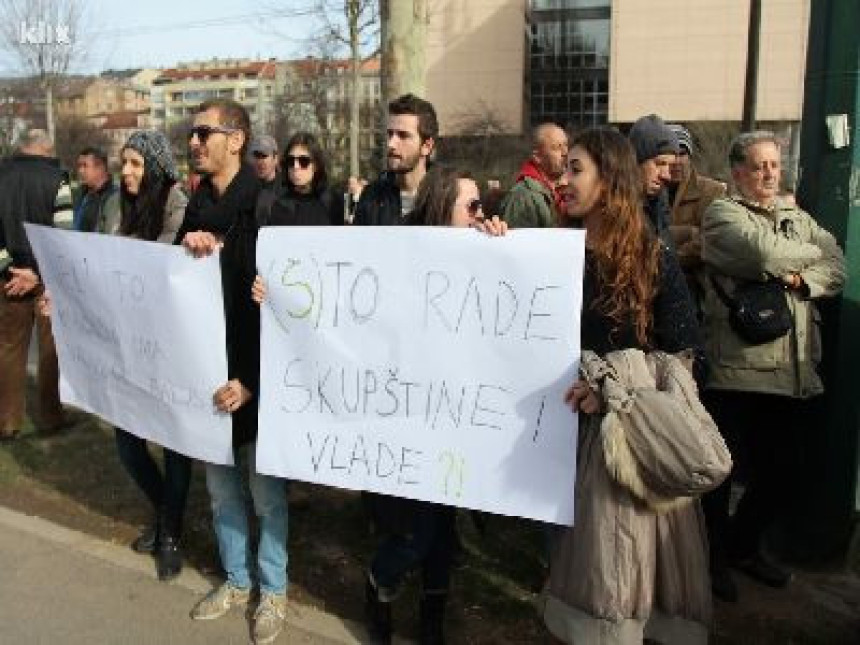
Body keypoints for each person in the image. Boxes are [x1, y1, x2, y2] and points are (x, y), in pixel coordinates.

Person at [542, 126, 704, 643]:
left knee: (620, 564)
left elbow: (679, 357)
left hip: (622, 445)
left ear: (609, 180)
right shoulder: (549, 250)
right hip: (556, 435)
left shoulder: (650, 256)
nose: (562, 179)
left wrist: (611, 388)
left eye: (575, 168)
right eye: (562, 167)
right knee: (573, 562)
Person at [362, 166, 507, 645]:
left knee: (443, 536)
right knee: (414, 533)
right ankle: (379, 585)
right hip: (408, 417)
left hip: (458, 420)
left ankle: (432, 624)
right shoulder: (399, 256)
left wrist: (502, 248)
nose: (481, 214)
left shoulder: (485, 254)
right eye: (472, 207)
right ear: (443, 208)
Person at [699, 131, 846, 602]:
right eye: (759, 165)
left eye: (775, 166)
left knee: (784, 473)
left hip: (791, 373)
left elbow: (839, 265)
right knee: (722, 474)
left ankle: (742, 546)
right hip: (737, 369)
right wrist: (807, 254)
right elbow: (761, 253)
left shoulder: (795, 216)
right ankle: (713, 558)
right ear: (737, 170)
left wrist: (799, 277)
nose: (768, 174)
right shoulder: (722, 213)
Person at [177, 99, 289, 645]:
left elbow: (290, 312)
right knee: (221, 492)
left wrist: (252, 382)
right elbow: (178, 295)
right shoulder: (196, 208)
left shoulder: (267, 206)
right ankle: (237, 580)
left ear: (236, 140)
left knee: (265, 496)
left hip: (255, 383)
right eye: (192, 133)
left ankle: (273, 591)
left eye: (205, 132)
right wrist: (186, 249)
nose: (195, 141)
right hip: (206, 381)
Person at [112, 130, 191, 580]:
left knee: (175, 445)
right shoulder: (121, 208)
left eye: (136, 164)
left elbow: (164, 261)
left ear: (156, 167)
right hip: (132, 344)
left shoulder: (177, 202)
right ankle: (166, 515)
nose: (126, 172)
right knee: (127, 442)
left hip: (172, 346)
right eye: (124, 163)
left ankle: (171, 533)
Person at [0, 129, 72, 441]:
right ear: (46, 150)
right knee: (49, 350)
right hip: (47, 282)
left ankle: (7, 422)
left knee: (7, 349)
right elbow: (62, 236)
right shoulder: (58, 178)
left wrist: (8, 270)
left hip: (7, 280)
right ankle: (51, 417)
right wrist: (39, 275)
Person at [353, 93, 438, 226]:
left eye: (403, 136)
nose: (391, 144)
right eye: (390, 134)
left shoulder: (446, 197)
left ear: (427, 146)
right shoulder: (371, 196)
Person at [666, 124, 726, 307]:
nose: (676, 160)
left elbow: (710, 240)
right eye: (670, 154)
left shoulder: (712, 191)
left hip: (697, 292)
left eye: (682, 153)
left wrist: (666, 259)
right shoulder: (648, 191)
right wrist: (688, 232)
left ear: (690, 157)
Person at [256, 131, 344, 227]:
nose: (296, 166)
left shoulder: (332, 202)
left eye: (304, 161)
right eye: (291, 161)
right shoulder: (274, 203)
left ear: (316, 165)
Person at [501, 123, 568, 228]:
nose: (565, 152)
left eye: (566, 145)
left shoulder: (562, 192)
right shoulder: (523, 196)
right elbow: (518, 242)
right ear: (537, 157)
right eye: (556, 147)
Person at [627, 114, 679, 248]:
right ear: (636, 161)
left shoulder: (659, 202)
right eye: (660, 163)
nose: (666, 175)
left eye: (670, 166)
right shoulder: (612, 207)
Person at [73, 146, 120, 233]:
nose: (80, 171)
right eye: (79, 166)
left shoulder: (114, 197)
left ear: (100, 168)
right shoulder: (80, 194)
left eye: (85, 166)